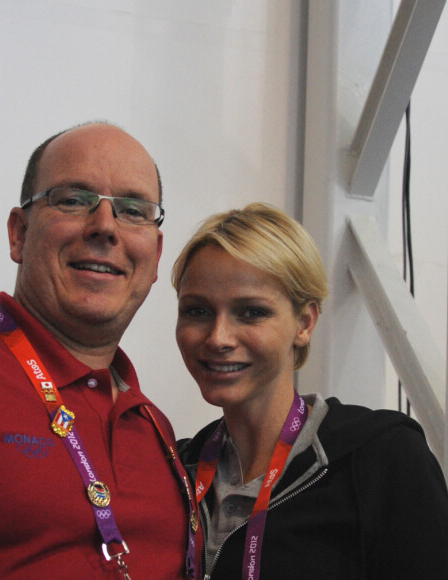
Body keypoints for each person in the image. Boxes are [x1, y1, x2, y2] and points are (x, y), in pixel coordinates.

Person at [0, 122, 200, 579]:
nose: (105, 226)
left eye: (133, 210)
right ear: (19, 234)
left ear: (156, 254)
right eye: (73, 200)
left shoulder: (155, 430)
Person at [173, 202, 448, 580]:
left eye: (251, 312)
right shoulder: (176, 469)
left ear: (304, 322)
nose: (218, 338)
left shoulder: (381, 457)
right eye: (198, 311)